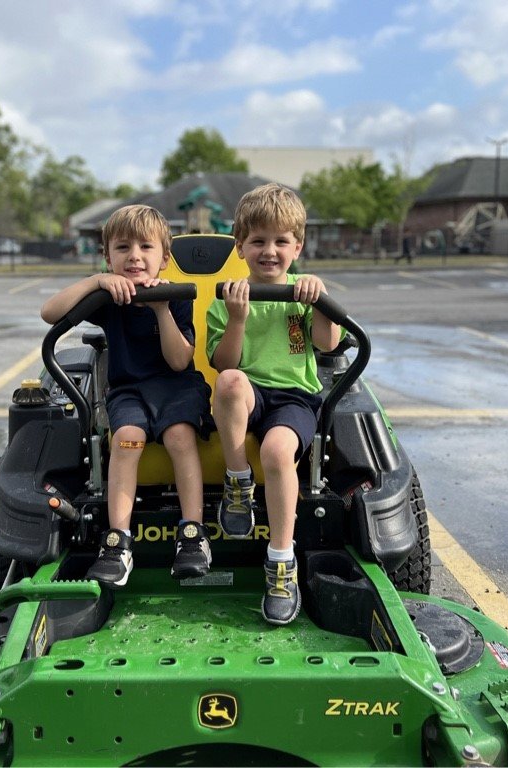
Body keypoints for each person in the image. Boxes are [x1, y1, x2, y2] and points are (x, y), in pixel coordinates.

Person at [41, 204, 213, 588]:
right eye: (122, 248)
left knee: (179, 435)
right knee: (126, 439)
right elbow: (49, 313)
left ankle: (193, 535)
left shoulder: (176, 295)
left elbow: (179, 360)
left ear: (164, 258)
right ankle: (118, 542)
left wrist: (161, 310)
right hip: (129, 390)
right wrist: (96, 283)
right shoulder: (110, 299)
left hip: (177, 386)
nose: (134, 256)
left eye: (145, 247)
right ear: (108, 256)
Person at [206, 184, 341, 625]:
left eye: (281, 241)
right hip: (247, 392)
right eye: (259, 241)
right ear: (240, 246)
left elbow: (327, 343)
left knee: (278, 451)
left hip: (294, 397)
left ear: (297, 246)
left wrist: (320, 303)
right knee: (227, 381)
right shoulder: (228, 298)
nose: (270, 251)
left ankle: (282, 563)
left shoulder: (303, 295)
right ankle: (238, 483)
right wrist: (239, 318)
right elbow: (225, 362)